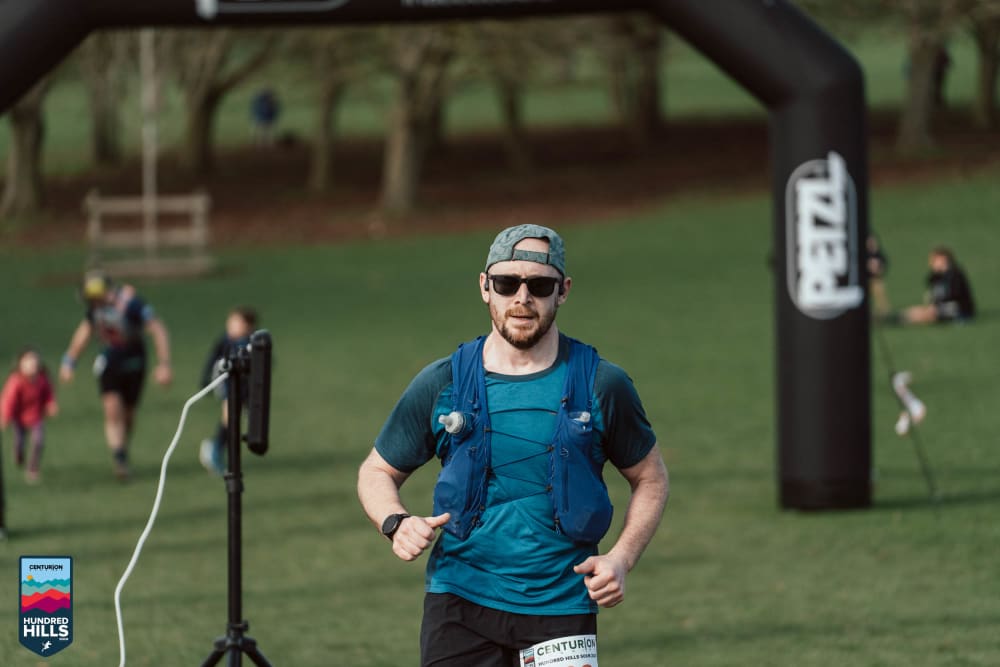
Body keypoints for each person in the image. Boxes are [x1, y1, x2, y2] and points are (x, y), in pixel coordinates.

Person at [357, 224, 670, 667]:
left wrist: (622, 558)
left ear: (563, 291)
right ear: (485, 287)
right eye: (507, 283)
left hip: (562, 606)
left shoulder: (603, 384)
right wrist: (395, 521)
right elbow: (377, 471)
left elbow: (651, 478)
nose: (522, 298)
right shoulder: (444, 382)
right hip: (459, 601)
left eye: (539, 285)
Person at [60, 270, 172, 480]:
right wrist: (69, 360)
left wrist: (164, 364)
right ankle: (119, 457)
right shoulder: (95, 310)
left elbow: (157, 329)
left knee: (128, 414)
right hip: (109, 362)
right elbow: (85, 332)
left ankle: (122, 448)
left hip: (135, 362)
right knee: (112, 408)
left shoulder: (131, 304)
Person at [199, 306, 258, 476]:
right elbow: (212, 359)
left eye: (235, 322)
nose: (230, 326)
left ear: (247, 325)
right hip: (227, 384)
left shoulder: (253, 343)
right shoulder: (225, 341)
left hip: (245, 387)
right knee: (231, 417)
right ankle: (214, 450)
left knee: (234, 420)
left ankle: (219, 450)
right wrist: (205, 381)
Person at [1, 347, 58, 484]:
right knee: (19, 442)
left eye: (34, 360)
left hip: (36, 416)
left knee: (38, 441)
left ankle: (32, 468)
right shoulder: (16, 381)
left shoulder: (42, 379)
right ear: (20, 364)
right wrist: (5, 417)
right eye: (28, 361)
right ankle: (19, 454)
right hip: (19, 418)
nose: (32, 364)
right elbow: (8, 400)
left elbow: (48, 394)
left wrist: (51, 405)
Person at [902, 246, 976, 325]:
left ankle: (902, 320)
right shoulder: (935, 276)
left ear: (943, 259)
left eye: (934, 260)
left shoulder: (955, 274)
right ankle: (900, 317)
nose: (931, 263)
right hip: (943, 307)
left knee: (928, 314)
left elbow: (953, 295)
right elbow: (933, 293)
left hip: (959, 309)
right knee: (918, 310)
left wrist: (937, 305)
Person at [866, 233, 892, 318]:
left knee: (878, 286)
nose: (872, 243)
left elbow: (884, 266)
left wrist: (878, 270)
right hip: (865, 280)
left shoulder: (878, 254)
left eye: (873, 242)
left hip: (875, 280)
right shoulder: (865, 254)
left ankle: (884, 311)